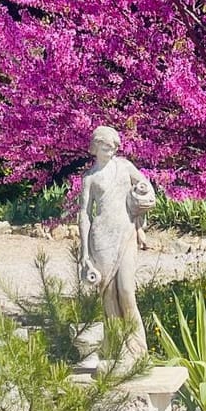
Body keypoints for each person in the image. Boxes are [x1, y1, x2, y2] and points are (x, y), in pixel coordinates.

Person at [78, 125, 155, 360]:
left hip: (125, 232)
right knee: (109, 295)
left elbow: (147, 188)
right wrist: (84, 253)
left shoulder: (124, 166)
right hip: (101, 239)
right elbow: (84, 214)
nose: (111, 151)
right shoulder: (90, 178)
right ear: (95, 147)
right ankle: (117, 348)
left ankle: (137, 349)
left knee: (127, 290)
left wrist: (142, 194)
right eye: (106, 147)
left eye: (113, 147)